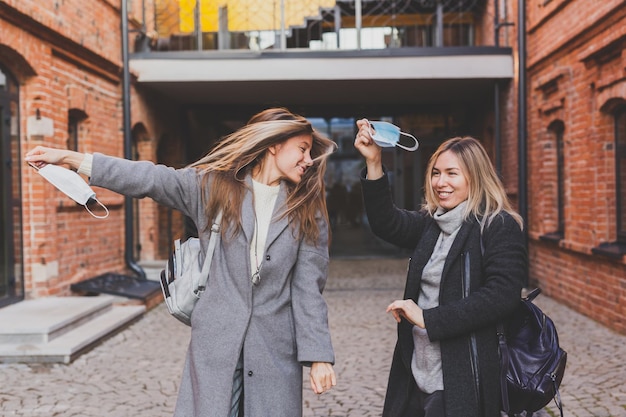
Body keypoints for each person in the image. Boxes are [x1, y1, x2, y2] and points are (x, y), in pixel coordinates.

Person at [25, 107, 338, 417]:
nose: (308, 160)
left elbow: (308, 289)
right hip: (216, 344)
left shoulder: (307, 210)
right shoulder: (214, 187)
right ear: (272, 144)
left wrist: (319, 357)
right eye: (302, 148)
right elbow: (150, 178)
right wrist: (70, 159)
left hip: (275, 350)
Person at [353, 119, 527, 417]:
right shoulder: (432, 223)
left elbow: (502, 295)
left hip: (464, 374)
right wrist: (374, 163)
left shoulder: (497, 225)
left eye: (451, 174)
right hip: (417, 369)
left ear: (475, 177)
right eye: (435, 173)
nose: (440, 182)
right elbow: (387, 223)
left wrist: (427, 318)